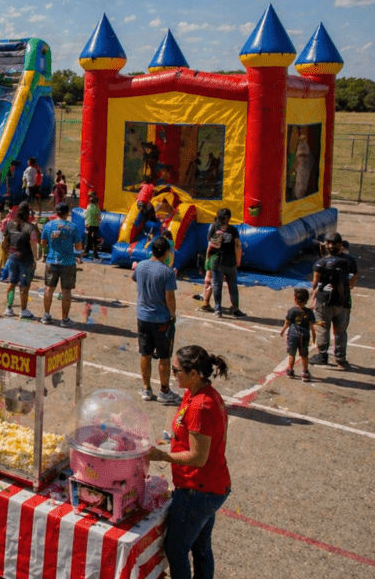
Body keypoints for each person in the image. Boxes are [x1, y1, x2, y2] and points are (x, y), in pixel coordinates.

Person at [147, 346, 231, 579]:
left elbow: (198, 457)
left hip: (198, 490)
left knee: (176, 549)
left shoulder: (201, 406)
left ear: (194, 374)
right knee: (200, 546)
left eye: (176, 371)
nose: (172, 375)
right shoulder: (196, 393)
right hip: (211, 485)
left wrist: (161, 456)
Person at [133, 236, 181, 404]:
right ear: (167, 252)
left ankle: (146, 388)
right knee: (164, 357)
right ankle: (164, 391)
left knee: (145, 354)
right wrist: (173, 314)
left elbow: (136, 279)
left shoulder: (140, 266)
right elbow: (170, 298)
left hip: (143, 317)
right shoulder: (167, 272)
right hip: (162, 320)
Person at [309, 232, 358, 370]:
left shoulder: (321, 263)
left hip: (324, 301)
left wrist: (314, 292)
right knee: (341, 331)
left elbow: (315, 281)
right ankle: (340, 360)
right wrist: (346, 286)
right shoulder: (349, 260)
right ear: (340, 245)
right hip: (343, 302)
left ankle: (322, 356)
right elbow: (354, 278)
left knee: (323, 328)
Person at [40, 203, 83, 326]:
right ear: (66, 213)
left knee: (49, 289)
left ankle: (46, 315)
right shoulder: (73, 227)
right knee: (66, 292)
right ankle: (65, 319)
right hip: (68, 263)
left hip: (51, 261)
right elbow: (79, 246)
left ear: (56, 212)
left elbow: (43, 242)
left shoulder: (48, 225)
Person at [1, 202, 41, 318]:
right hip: (26, 259)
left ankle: (9, 308)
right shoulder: (31, 227)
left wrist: (7, 259)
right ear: (28, 213)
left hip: (12, 258)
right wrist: (36, 259)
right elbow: (35, 243)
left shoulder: (9, 225)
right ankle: (23, 311)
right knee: (24, 286)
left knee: (12, 284)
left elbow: (5, 243)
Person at [206, 208, 244, 318]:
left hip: (217, 261)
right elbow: (238, 245)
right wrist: (238, 260)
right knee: (232, 285)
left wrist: (208, 257)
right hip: (230, 261)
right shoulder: (233, 230)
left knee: (217, 285)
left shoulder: (214, 227)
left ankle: (218, 310)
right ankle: (235, 309)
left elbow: (210, 243)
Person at [280, 288, 315, 381]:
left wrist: (282, 330)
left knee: (292, 354)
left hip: (293, 335)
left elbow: (287, 323)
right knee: (304, 355)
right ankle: (305, 372)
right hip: (304, 336)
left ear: (295, 299)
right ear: (307, 300)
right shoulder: (309, 312)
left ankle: (290, 371)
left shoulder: (292, 311)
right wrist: (314, 336)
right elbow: (312, 325)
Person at [83, 192, 102, 260]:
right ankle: (95, 254)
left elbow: (85, 216)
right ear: (96, 202)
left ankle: (85, 252)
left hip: (88, 225)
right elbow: (98, 217)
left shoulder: (88, 207)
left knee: (88, 239)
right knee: (94, 240)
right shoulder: (96, 208)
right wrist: (100, 219)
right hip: (94, 226)